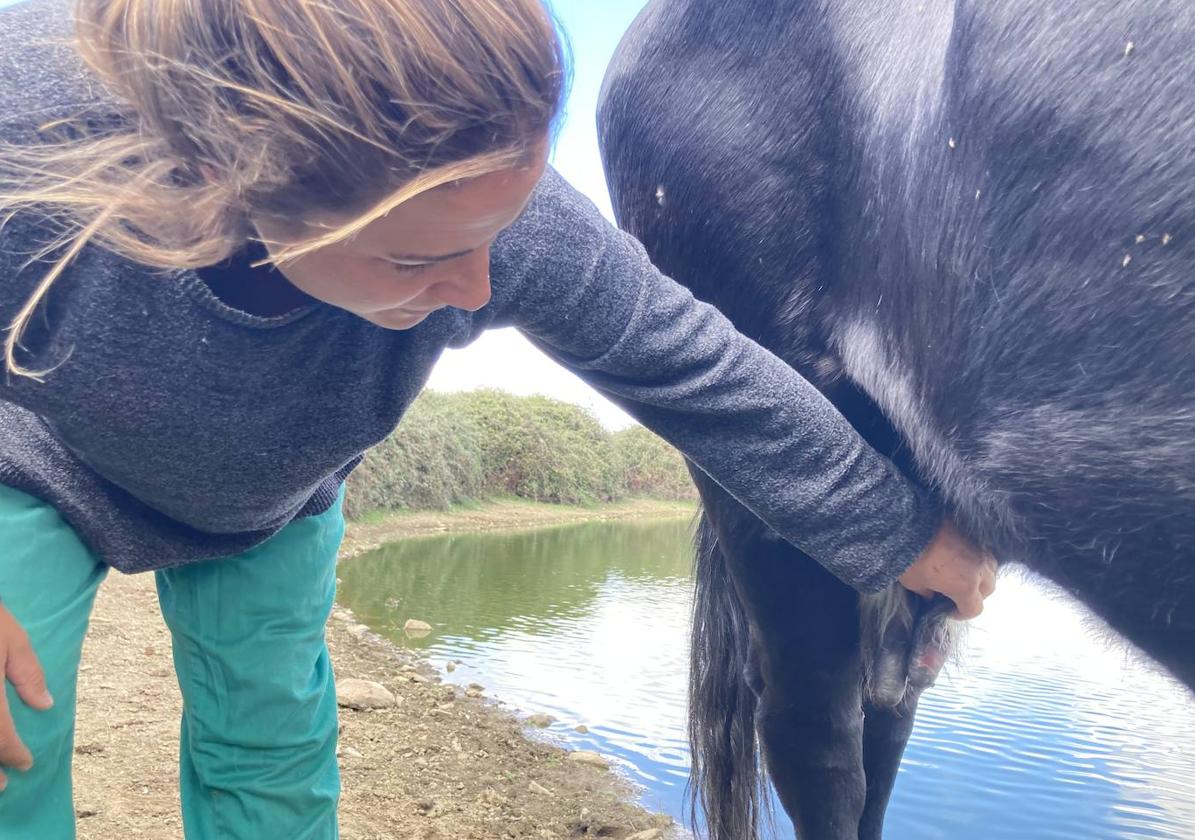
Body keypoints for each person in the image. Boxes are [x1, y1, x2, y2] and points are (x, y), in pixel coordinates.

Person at [0, 0, 997, 836]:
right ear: (235, 177)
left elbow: (699, 370)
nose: (478, 288)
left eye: (495, 240)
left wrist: (899, 533)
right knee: (11, 737)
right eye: (414, 261)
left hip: (275, 496)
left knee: (269, 753)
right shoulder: (31, 114)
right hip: (43, 459)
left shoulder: (502, 226)